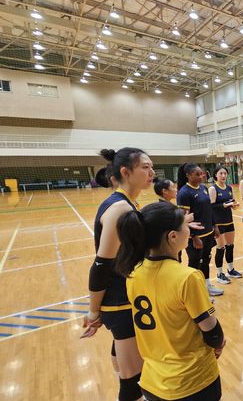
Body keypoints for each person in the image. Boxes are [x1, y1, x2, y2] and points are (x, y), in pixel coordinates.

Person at [116, 201, 225, 400]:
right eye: (185, 226)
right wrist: (218, 342)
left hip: (153, 381)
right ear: (172, 236)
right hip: (192, 382)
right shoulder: (188, 277)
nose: (189, 230)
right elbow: (211, 331)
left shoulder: (133, 273)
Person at [81, 148, 153, 401]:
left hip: (127, 298)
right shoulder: (120, 208)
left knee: (125, 365)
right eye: (145, 167)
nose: (152, 172)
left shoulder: (129, 203)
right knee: (133, 379)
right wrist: (93, 312)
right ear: (125, 172)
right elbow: (101, 265)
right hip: (120, 302)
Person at [177, 163, 225, 297]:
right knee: (195, 264)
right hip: (195, 236)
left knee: (206, 260)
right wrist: (193, 236)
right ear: (188, 175)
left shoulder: (203, 188)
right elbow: (184, 219)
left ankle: (206, 285)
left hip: (208, 233)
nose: (201, 176)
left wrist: (214, 226)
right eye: (197, 174)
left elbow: (209, 210)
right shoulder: (184, 193)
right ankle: (195, 293)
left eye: (201, 174)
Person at [209, 165, 243, 282]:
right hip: (218, 223)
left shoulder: (229, 188)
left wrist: (234, 205)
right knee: (220, 247)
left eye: (225, 173)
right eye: (221, 173)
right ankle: (219, 274)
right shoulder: (213, 189)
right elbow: (211, 206)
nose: (223, 175)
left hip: (229, 221)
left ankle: (231, 269)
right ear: (216, 175)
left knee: (230, 246)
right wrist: (225, 205)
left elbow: (231, 202)